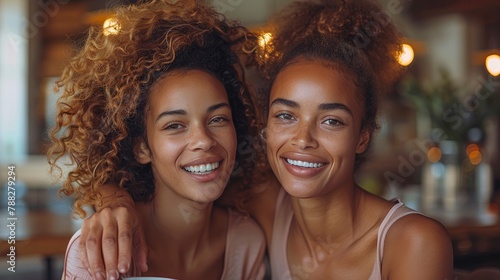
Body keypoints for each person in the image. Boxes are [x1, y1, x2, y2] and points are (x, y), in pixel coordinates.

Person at [78, 0, 454, 279]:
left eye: (332, 121)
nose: (303, 139)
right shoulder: (265, 208)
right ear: (265, 126)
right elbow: (180, 177)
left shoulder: (413, 241)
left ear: (363, 136)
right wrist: (115, 202)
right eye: (286, 116)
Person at [46, 1, 268, 279]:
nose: (203, 141)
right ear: (141, 147)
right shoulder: (102, 249)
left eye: (218, 119)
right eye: (175, 125)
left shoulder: (246, 242)